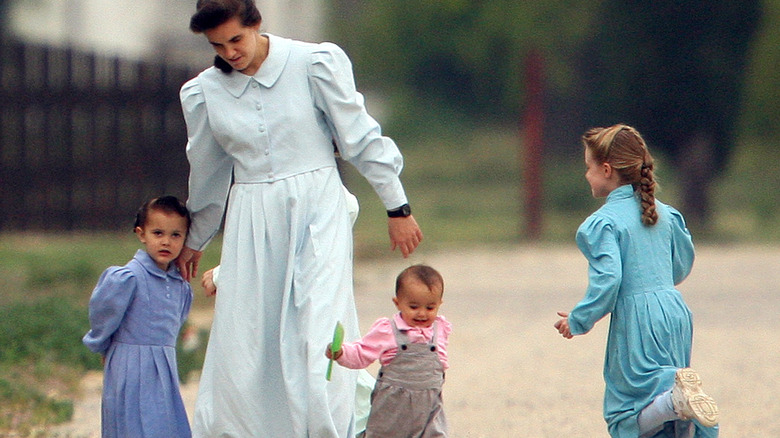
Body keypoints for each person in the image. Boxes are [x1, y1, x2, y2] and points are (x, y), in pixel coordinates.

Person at [176, 1, 423, 436]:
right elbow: (209, 173)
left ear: (255, 24)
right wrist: (194, 238)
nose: (230, 53)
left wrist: (396, 205)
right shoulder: (204, 92)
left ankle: (333, 427)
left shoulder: (312, 63)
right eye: (218, 45)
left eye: (236, 39)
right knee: (249, 335)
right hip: (253, 216)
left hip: (317, 208)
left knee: (319, 326)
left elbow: (359, 136)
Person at [554, 124, 719, 438]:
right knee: (665, 399)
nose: (586, 174)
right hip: (673, 312)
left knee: (626, 412)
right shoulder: (667, 214)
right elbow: (682, 265)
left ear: (606, 169)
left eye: (588, 168)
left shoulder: (601, 223)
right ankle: (681, 412)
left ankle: (676, 404)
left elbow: (609, 280)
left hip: (638, 318)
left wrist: (579, 319)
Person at [83, 196, 193, 438]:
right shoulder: (129, 278)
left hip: (163, 364)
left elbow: (177, 319)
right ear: (142, 234)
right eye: (158, 233)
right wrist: (102, 344)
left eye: (176, 235)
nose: (166, 242)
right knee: (131, 423)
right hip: (130, 363)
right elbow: (104, 313)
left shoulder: (179, 285)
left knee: (163, 423)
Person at [327, 264, 451, 437]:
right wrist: (341, 353)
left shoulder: (440, 330)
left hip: (429, 406)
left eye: (430, 308)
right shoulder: (388, 331)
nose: (422, 314)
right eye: (414, 307)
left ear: (439, 304)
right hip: (393, 406)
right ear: (397, 302)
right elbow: (362, 352)